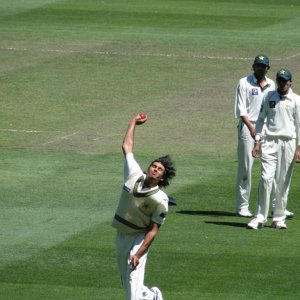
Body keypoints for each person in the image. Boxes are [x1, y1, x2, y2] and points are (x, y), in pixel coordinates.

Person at [112, 113, 176, 300]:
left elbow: (153, 230)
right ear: (148, 168)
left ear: (162, 177)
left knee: (132, 293)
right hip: (121, 236)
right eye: (153, 166)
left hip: (139, 238)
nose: (155, 169)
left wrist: (139, 253)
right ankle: (152, 296)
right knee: (129, 285)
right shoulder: (133, 175)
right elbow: (127, 147)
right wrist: (133, 122)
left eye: (159, 169)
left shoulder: (160, 199)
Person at [247, 69, 300, 229]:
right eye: (280, 80)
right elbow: (261, 119)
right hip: (269, 142)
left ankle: (279, 217)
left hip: (288, 143)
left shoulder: (296, 100)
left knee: (283, 181)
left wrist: (299, 148)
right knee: (265, 179)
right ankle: (260, 217)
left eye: (285, 81)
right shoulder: (268, 96)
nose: (283, 84)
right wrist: (257, 141)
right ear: (277, 81)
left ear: (290, 82)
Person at [234, 54, 275, 217]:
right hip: (247, 126)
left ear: (267, 68)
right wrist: (252, 128)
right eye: (258, 65)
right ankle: (242, 206)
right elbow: (241, 109)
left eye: (263, 66)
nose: (260, 68)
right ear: (253, 66)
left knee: (270, 167)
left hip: (268, 127)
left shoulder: (273, 84)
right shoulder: (244, 82)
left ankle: (273, 206)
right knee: (245, 168)